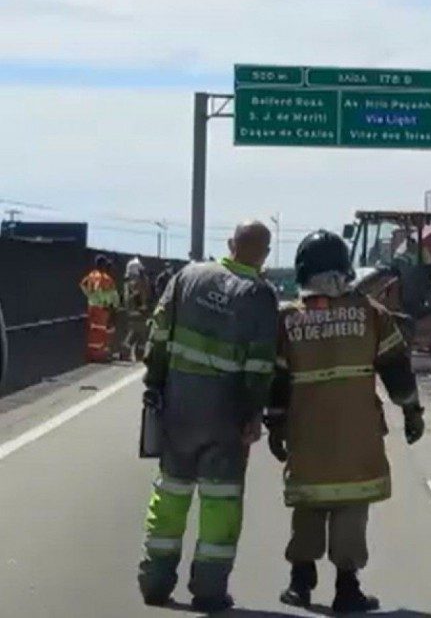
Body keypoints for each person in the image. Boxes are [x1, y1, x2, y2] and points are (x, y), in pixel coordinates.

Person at [267, 230, 423, 613]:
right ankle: (346, 587)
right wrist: (411, 411)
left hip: (306, 434)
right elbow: (396, 370)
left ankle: (300, 581)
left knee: (308, 502)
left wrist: (274, 424)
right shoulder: (372, 313)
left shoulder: (288, 320)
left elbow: (277, 380)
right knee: (351, 507)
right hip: (358, 437)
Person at [137, 221, 278, 612]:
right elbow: (259, 364)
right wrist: (253, 414)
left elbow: (159, 334)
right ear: (264, 255)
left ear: (231, 244)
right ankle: (210, 590)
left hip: (179, 407)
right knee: (220, 502)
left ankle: (155, 580)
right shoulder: (260, 295)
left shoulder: (188, 276)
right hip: (226, 417)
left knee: (170, 494)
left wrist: (155, 383)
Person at [80, 255, 119, 362]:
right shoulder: (105, 278)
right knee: (100, 332)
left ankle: (91, 354)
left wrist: (90, 295)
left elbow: (83, 285)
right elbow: (109, 293)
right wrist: (105, 302)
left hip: (91, 306)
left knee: (93, 331)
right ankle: (99, 355)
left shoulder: (91, 275)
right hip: (101, 308)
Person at [123, 257, 153, 361]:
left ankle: (132, 353)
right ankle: (126, 352)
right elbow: (138, 295)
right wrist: (143, 306)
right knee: (137, 333)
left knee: (138, 334)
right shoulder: (137, 281)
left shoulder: (131, 281)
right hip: (138, 312)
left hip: (136, 312)